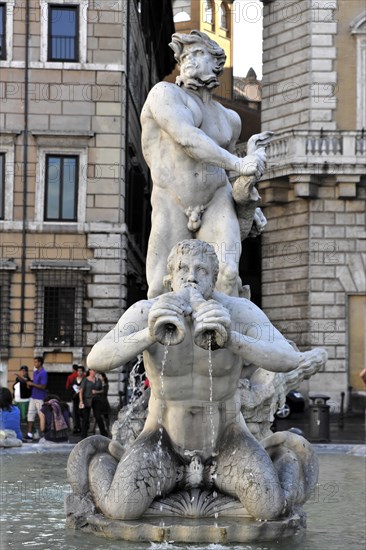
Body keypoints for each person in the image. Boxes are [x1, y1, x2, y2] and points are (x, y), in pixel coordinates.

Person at [84, 239, 326, 521]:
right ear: (170, 278)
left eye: (201, 269)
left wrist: (232, 337)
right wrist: (148, 335)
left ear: (214, 278)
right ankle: (102, 460)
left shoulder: (237, 311)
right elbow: (96, 359)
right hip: (163, 442)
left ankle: (280, 458)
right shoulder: (146, 311)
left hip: (226, 440)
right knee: (119, 509)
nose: (191, 276)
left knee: (269, 509)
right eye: (182, 269)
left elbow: (288, 358)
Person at [141, 30, 270, 298]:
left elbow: (228, 172)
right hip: (171, 201)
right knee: (160, 288)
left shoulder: (230, 119)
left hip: (216, 200)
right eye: (184, 55)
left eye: (198, 53)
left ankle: (221, 335)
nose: (188, 60)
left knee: (228, 275)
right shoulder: (163, 95)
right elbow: (188, 139)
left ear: (216, 63)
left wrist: (246, 203)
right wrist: (240, 163)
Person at [25, 356, 48, 440]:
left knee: (41, 416)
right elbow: (35, 383)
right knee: (30, 415)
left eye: (35, 362)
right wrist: (30, 383)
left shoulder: (43, 373)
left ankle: (44, 434)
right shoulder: (35, 372)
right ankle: (29, 434)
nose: (34, 364)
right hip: (33, 396)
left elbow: (43, 386)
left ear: (40, 363)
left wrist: (32, 384)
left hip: (39, 398)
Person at [79, 369, 99, 439]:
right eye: (93, 370)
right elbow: (81, 391)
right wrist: (81, 401)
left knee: (98, 417)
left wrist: (97, 392)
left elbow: (101, 389)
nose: (95, 372)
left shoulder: (97, 380)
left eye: (95, 370)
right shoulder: (85, 380)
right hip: (87, 401)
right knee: (85, 419)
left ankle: (103, 434)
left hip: (95, 400)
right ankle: (83, 436)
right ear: (90, 371)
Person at [91, 372, 110, 437]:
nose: (99, 377)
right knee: (97, 416)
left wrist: (96, 392)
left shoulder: (105, 384)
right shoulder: (98, 383)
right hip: (99, 401)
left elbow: (104, 391)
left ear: (103, 377)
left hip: (104, 401)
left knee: (106, 416)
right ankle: (93, 429)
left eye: (100, 376)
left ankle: (107, 429)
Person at [70, 366, 85, 433]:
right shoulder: (74, 379)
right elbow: (71, 388)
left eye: (81, 371)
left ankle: (83, 427)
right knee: (75, 413)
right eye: (78, 371)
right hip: (75, 398)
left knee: (81, 413)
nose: (79, 372)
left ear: (83, 372)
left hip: (82, 399)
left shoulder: (85, 380)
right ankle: (76, 427)